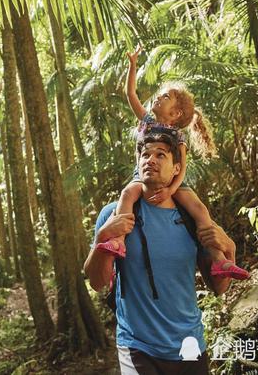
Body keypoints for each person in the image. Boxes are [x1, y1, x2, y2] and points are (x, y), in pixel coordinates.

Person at [84, 133, 238, 374]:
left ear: (177, 168)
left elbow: (219, 287)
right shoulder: (114, 215)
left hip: (189, 345)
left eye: (160, 155)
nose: (150, 160)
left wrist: (229, 250)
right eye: (145, 154)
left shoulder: (191, 219)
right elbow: (96, 281)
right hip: (136, 347)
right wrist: (102, 237)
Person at [94, 45, 249, 280]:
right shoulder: (146, 121)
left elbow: (182, 166)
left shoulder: (177, 135)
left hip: (173, 182)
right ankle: (118, 241)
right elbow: (131, 95)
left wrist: (171, 189)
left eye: (165, 97)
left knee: (199, 208)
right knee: (127, 194)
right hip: (141, 177)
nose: (158, 96)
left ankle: (219, 259)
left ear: (176, 114)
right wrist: (133, 66)